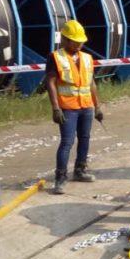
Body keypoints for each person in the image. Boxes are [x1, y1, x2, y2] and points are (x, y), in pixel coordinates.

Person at [44, 19, 103, 195]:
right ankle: (60, 178)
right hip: (67, 108)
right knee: (67, 142)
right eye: (75, 41)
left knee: (85, 138)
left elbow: (91, 83)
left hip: (86, 106)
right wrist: (55, 108)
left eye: (81, 42)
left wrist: (97, 105)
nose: (78, 44)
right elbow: (51, 83)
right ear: (65, 39)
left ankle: (80, 170)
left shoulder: (87, 58)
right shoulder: (55, 57)